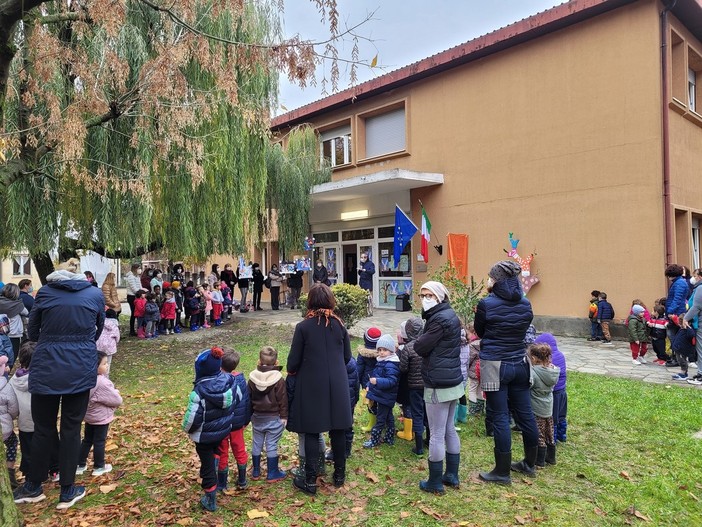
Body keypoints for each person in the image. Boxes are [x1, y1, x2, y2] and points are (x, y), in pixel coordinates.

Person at [13, 258, 105, 510]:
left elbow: (32, 330)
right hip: (80, 367)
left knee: (43, 428)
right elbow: (98, 328)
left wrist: (53, 342)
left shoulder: (44, 292)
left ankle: (33, 485)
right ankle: (67, 489)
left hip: (47, 367)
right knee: (71, 428)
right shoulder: (94, 294)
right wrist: (80, 343)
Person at [475, 260, 538, 486]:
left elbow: (480, 330)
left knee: (500, 415)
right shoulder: (526, 303)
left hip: (495, 364)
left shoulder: (486, 304)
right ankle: (530, 463)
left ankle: (502, 471)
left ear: (496, 280)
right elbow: (524, 327)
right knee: (525, 412)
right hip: (520, 362)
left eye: (490, 277)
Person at [286, 284, 352, 495]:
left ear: (310, 302)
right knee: (339, 428)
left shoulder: (303, 327)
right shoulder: (339, 325)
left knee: (313, 430)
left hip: (312, 382)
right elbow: (347, 357)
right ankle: (339, 475)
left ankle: (310, 479)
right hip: (338, 382)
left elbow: (292, 362)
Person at [413, 281, 463, 494]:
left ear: (440, 297)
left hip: (438, 383)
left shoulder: (438, 320)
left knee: (436, 433)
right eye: (422, 294)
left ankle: (435, 481)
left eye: (429, 295)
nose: (425, 298)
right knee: (449, 429)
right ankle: (451, 474)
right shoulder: (450, 315)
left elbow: (420, 346)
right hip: (453, 380)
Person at [182, 347, 237, 512]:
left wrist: (187, 429)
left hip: (204, 436)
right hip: (221, 430)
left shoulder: (198, 392)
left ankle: (210, 498)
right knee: (215, 452)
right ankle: (213, 467)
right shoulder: (229, 381)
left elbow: (192, 418)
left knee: (206, 466)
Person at [76, 352, 123, 477]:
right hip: (101, 418)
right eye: (104, 363)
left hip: (89, 417)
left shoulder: (85, 380)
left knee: (87, 440)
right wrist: (116, 392)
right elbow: (116, 400)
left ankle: (80, 464)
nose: (107, 366)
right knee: (99, 441)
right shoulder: (102, 383)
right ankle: (99, 466)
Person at [247, 346, 288, 483]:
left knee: (257, 443)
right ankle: (272, 472)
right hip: (273, 418)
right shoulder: (279, 379)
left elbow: (248, 398)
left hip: (257, 417)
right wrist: (284, 416)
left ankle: (256, 471)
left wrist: (248, 416)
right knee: (271, 444)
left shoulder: (252, 378)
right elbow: (283, 399)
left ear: (259, 361)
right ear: (276, 363)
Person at [216, 349, 250, 491]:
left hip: (223, 425)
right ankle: (242, 480)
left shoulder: (217, 381)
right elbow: (247, 402)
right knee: (239, 449)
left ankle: (222, 484)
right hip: (236, 425)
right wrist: (245, 421)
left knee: (223, 451)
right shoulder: (241, 381)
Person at [362, 334, 400, 449]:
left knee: (380, 419)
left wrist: (377, 381)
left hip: (386, 396)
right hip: (382, 396)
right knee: (388, 417)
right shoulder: (382, 361)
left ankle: (374, 440)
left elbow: (391, 381)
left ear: (391, 351)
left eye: (385, 350)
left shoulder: (391, 364)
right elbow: (374, 375)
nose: (382, 352)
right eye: (379, 350)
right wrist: (369, 385)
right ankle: (389, 437)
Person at [526, 344, 560, 468]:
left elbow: (529, 385)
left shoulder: (534, 372)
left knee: (539, 432)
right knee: (549, 431)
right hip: (548, 406)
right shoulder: (553, 370)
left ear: (534, 359)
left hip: (536, 408)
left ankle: (539, 460)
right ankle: (551, 457)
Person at [9, 342, 37, 488]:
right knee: (42, 446)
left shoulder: (14, 379)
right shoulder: (38, 377)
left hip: (23, 422)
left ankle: (27, 473)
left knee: (26, 448)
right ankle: (48, 471)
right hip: (39, 420)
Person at [397, 317, 425, 455]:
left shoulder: (408, 348)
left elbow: (403, 368)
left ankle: (419, 447)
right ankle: (429, 439)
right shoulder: (428, 344)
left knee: (418, 414)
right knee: (428, 413)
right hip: (429, 384)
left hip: (414, 387)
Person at [534, 333, 568, 443]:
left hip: (553, 393)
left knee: (552, 417)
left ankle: (551, 439)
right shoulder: (561, 355)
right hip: (562, 391)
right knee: (561, 415)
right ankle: (562, 435)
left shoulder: (545, 360)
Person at [357, 327, 381, 432]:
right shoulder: (383, 353)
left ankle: (372, 424)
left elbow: (358, 370)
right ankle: (381, 422)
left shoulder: (362, 355)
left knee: (371, 404)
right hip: (380, 382)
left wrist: (357, 383)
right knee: (380, 402)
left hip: (367, 383)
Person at [0, 355, 19, 488]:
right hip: (4, 429)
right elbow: (13, 409)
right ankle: (10, 473)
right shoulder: (6, 387)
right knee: (12, 443)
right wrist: (10, 418)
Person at [665, 264, 689, 366]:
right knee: (674, 337)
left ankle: (678, 359)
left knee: (674, 337)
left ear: (672, 274)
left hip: (676, 314)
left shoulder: (679, 283)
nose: (668, 278)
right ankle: (676, 358)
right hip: (677, 313)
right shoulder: (679, 282)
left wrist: (670, 312)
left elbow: (677, 300)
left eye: (669, 275)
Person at [0, 283, 28, 367]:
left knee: (2, 355)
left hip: (2, 332)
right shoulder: (18, 304)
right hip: (14, 334)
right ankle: (5, 375)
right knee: (12, 357)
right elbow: (26, 312)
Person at [683, 268, 702, 385]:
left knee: (700, 350)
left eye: (695, 276)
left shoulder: (700, 288)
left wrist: (686, 318)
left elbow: (696, 306)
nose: (693, 278)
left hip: (700, 323)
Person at [466, 325, 484, 416]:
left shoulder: (472, 345)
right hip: (483, 371)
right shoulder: (484, 343)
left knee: (472, 389)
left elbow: (469, 359)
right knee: (480, 389)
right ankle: (480, 409)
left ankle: (472, 411)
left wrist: (467, 367)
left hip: (474, 371)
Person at [96, 309, 120, 376]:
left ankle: (98, 375)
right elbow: (117, 336)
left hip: (98, 345)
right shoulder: (114, 325)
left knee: (98, 362)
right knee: (107, 363)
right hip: (109, 347)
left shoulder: (99, 322)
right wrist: (116, 343)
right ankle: (106, 377)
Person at [125, 264, 142, 336]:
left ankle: (139, 329)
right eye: (138, 268)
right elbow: (134, 289)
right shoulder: (130, 277)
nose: (139, 270)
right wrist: (141, 292)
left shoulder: (137, 276)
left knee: (138, 313)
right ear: (135, 269)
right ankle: (132, 330)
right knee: (134, 313)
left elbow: (140, 286)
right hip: (132, 297)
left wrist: (143, 291)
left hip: (138, 296)